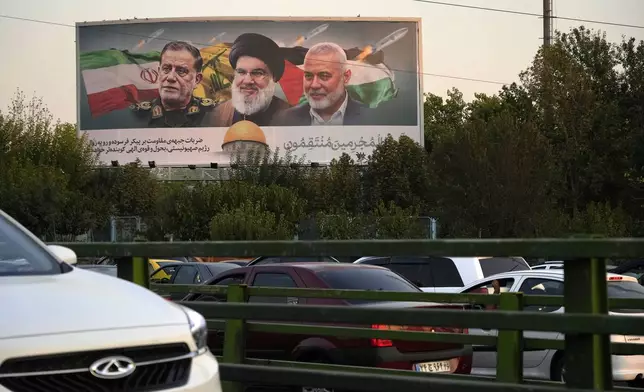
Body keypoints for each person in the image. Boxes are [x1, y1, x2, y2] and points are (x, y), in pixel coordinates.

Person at [272, 42, 375, 126]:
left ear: (346, 77)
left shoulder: (371, 118)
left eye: (324, 76)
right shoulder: (284, 120)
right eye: (308, 76)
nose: (314, 85)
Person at [205, 33, 290, 127]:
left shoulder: (293, 118)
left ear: (273, 78)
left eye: (258, 73)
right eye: (241, 72)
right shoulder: (215, 116)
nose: (247, 80)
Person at [130, 41, 217, 127]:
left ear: (197, 80)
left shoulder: (215, 116)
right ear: (159, 72)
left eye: (181, 71)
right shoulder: (132, 117)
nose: (170, 77)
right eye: (166, 69)